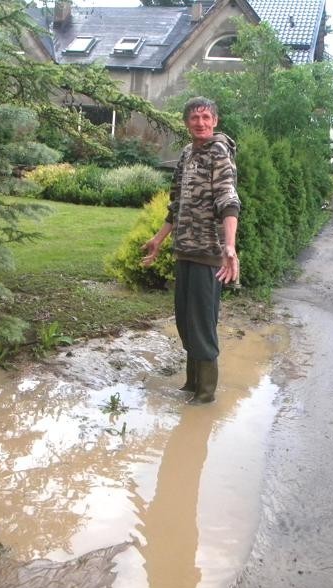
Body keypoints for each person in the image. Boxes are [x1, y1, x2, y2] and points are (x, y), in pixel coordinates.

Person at [141, 97, 240, 403]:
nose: (200, 122)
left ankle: (206, 394)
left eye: (206, 117)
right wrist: (159, 239)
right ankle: (191, 383)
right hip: (184, 250)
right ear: (186, 122)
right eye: (195, 117)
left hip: (208, 254)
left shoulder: (219, 153)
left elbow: (228, 199)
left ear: (215, 121)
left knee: (201, 325)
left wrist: (230, 246)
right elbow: (177, 203)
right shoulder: (186, 154)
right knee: (186, 321)